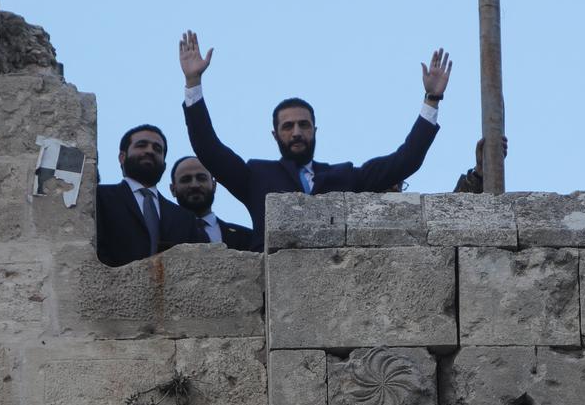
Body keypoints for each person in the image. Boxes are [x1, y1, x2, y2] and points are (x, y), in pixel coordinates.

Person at [178, 30, 450, 248]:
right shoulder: (256, 176)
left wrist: (432, 100)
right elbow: (208, 148)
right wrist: (193, 83)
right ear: (275, 134)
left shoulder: (345, 176)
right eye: (288, 126)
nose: (296, 132)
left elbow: (405, 160)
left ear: (315, 131)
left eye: (303, 125)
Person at [95, 124, 200, 267]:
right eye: (141, 145)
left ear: (164, 164)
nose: (150, 151)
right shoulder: (99, 197)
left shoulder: (184, 218)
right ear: (122, 157)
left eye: (157, 149)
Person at [168, 156, 255, 251]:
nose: (195, 185)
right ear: (173, 189)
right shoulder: (163, 235)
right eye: (186, 179)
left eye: (201, 178)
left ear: (214, 185)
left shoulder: (247, 237)